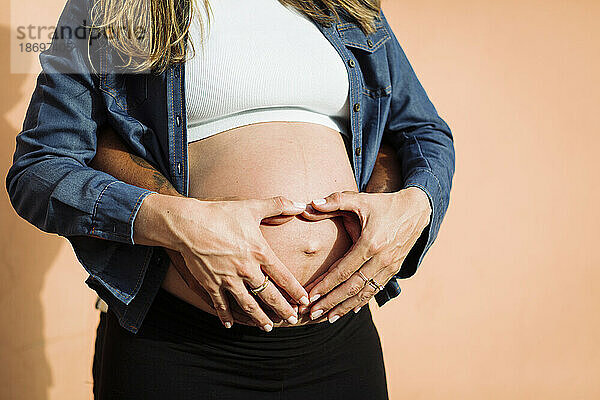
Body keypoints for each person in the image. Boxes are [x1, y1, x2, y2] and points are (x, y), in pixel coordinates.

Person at [6, 0, 455, 398]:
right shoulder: (111, 8)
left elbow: (424, 132)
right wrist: (177, 223)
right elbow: (40, 168)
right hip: (180, 347)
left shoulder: (342, 6)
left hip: (338, 344)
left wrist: (416, 207)